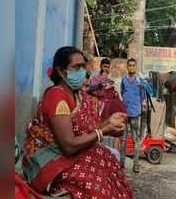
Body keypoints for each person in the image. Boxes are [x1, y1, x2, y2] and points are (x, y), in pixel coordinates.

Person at [22, 47, 133, 199]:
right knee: (98, 189)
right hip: (53, 161)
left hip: (73, 154)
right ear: (61, 71)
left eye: (83, 66)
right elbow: (68, 146)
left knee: (110, 166)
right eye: (77, 67)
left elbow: (85, 130)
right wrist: (103, 131)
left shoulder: (78, 95)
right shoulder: (57, 97)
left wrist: (110, 123)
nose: (82, 71)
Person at [88, 58, 126, 159]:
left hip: (107, 111)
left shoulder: (110, 81)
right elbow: (89, 92)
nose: (106, 69)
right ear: (101, 67)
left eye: (108, 67)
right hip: (97, 109)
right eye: (104, 66)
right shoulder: (95, 79)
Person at [120, 58, 146, 173]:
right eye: (129, 65)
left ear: (135, 66)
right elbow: (122, 92)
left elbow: (143, 96)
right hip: (125, 114)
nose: (131, 67)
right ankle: (121, 163)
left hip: (135, 114)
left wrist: (137, 106)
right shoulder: (123, 80)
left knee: (136, 139)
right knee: (124, 139)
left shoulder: (139, 81)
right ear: (127, 66)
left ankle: (136, 164)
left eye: (133, 65)